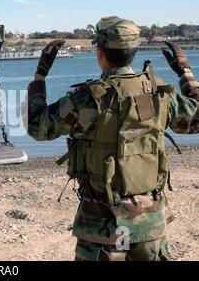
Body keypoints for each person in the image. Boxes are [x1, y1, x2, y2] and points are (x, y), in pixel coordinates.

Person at [26, 16, 199, 261]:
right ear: (134, 53)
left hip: (103, 227)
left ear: (99, 52)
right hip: (150, 223)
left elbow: (37, 127)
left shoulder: (86, 99)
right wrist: (185, 73)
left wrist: (40, 76)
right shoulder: (159, 94)